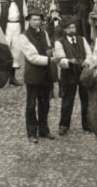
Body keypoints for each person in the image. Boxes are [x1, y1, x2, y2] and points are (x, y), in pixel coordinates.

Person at [17, 11, 55, 142]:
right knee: (31, 105)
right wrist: (49, 60)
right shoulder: (24, 37)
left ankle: (44, 129)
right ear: (29, 20)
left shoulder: (44, 33)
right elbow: (32, 57)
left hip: (46, 74)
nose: (37, 22)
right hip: (33, 74)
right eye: (34, 20)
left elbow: (49, 47)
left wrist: (51, 51)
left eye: (39, 20)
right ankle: (32, 132)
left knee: (45, 104)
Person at [54, 16, 90, 135]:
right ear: (64, 30)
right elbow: (60, 59)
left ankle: (87, 124)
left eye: (73, 27)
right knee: (68, 100)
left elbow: (89, 54)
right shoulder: (59, 42)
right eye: (69, 28)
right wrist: (69, 61)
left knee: (86, 99)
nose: (72, 30)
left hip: (83, 73)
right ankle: (64, 125)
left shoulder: (82, 39)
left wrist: (87, 61)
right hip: (69, 74)